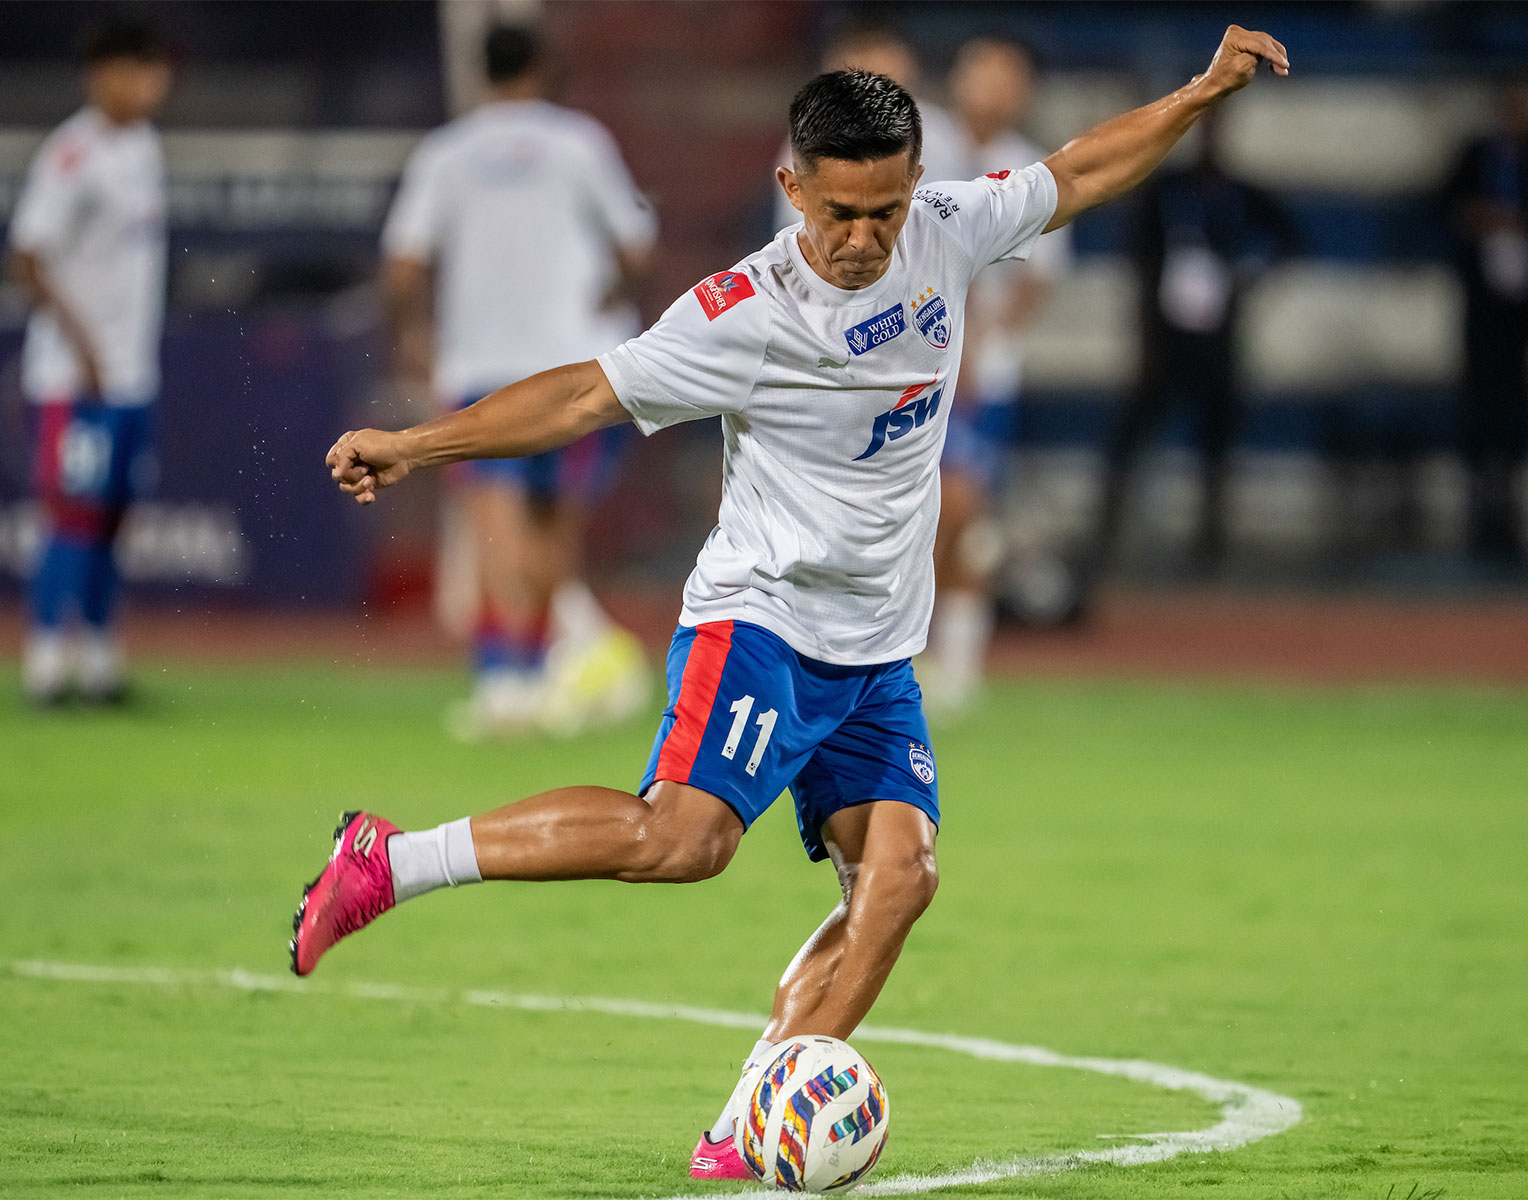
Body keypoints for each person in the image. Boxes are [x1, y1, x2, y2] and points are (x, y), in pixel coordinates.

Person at [296, 26, 1288, 1182]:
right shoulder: (741, 314)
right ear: (790, 187)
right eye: (839, 215)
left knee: (901, 880)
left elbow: (1084, 170)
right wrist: (415, 446)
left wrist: (1200, 93)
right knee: (684, 841)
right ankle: (391, 860)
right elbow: (578, 397)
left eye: (884, 209)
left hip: (877, 645)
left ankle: (741, 1127)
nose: (865, 239)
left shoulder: (947, 230)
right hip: (762, 621)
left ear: (914, 181)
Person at [382, 24, 658, 737]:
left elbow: (404, 265)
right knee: (556, 530)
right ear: (542, 68)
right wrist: (609, 294)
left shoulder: (447, 152)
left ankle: (511, 681)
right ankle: (557, 665)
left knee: (497, 529)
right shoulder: (580, 143)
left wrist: (415, 336)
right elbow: (636, 241)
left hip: (480, 363)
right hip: (572, 367)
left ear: (480, 74)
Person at [10, 11, 172, 705]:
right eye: (142, 70)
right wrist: (84, 348)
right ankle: (47, 665)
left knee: (112, 518)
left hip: (132, 373)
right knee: (71, 516)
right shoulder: (70, 155)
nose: (155, 85)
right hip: (76, 377)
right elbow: (26, 258)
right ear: (106, 73)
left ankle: (102, 665)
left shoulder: (144, 149)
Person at [924, 34, 1073, 711]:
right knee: (909, 515)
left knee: (962, 512)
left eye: (1003, 75)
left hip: (981, 377)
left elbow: (1037, 279)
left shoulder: (1026, 169)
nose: (987, 86)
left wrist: (983, 340)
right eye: (977, 70)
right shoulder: (919, 147)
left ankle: (954, 661)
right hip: (908, 366)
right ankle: (909, 657)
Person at [1092, 115, 1298, 577]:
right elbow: (1139, 260)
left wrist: (1250, 276)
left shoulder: (1239, 193)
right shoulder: (1167, 191)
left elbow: (1289, 237)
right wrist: (1144, 335)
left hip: (1217, 340)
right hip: (1166, 340)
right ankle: (1105, 537)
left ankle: (1210, 548)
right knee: (1130, 438)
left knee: (1216, 445)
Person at [771, 21, 963, 235]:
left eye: (884, 54)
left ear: (907, 60)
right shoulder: (812, 132)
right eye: (862, 56)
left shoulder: (943, 133)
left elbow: (959, 218)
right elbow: (802, 230)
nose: (875, 68)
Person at [1444, 80, 1528, 565]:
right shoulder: (1476, 156)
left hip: (1520, 306)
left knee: (1514, 404)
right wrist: (1481, 219)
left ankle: (1511, 502)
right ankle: (1481, 505)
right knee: (1480, 400)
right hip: (1482, 303)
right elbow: (1448, 208)